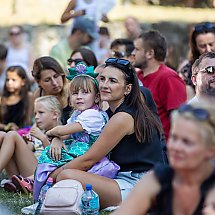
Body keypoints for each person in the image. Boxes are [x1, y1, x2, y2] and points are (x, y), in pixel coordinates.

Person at [49, 58, 167, 209]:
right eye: (102, 79)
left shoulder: (123, 117)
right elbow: (75, 133)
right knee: (67, 175)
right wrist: (57, 139)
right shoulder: (109, 112)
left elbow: (88, 160)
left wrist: (52, 177)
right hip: (122, 178)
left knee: (67, 176)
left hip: (139, 184)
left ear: (127, 89)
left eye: (112, 81)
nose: (104, 85)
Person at [112, 102, 215, 215]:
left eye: (187, 142)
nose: (176, 147)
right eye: (174, 138)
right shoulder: (158, 179)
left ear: (211, 150)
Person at [33, 62, 115, 201]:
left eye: (85, 92)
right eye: (75, 93)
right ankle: (43, 192)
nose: (79, 96)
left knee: (50, 159)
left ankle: (42, 192)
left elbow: (63, 130)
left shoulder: (93, 115)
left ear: (96, 97)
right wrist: (57, 140)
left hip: (88, 156)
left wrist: (51, 133)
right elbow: (64, 134)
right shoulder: (77, 114)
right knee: (50, 155)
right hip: (76, 152)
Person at [0, 95, 62, 193]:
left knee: (12, 134)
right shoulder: (40, 131)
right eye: (35, 113)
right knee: (2, 135)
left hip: (40, 174)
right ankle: (14, 181)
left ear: (55, 114)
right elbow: (28, 153)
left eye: (41, 113)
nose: (36, 117)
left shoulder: (61, 134)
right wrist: (26, 142)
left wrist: (43, 139)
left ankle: (17, 182)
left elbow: (55, 161)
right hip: (27, 171)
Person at [133, 30, 187, 140]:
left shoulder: (169, 78)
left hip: (160, 148)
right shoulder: (136, 76)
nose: (133, 53)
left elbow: (179, 117)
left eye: (137, 49)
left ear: (150, 53)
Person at [178, 22, 215, 100]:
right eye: (202, 46)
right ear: (195, 47)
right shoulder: (187, 70)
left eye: (211, 44)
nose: (208, 49)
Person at [32, 56, 71, 125]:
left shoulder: (72, 91)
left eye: (56, 76)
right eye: (47, 80)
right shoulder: (39, 95)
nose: (54, 83)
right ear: (39, 83)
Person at [0, 66, 34, 131]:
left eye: (13, 80)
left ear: (23, 82)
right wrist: (6, 127)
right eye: (7, 80)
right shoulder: (2, 98)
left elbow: (28, 120)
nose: (9, 83)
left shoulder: (28, 96)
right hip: (3, 133)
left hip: (21, 133)